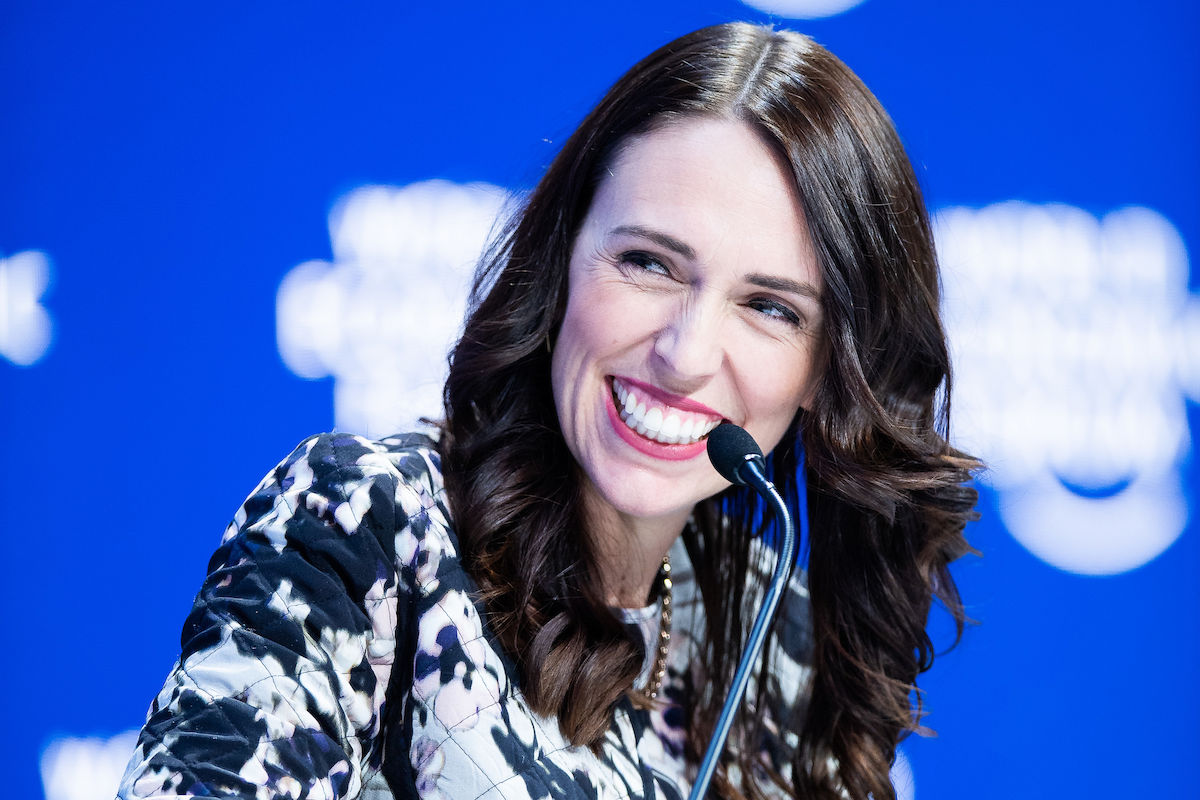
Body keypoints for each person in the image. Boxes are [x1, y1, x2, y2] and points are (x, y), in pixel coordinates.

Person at [118, 22, 978, 800]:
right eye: (649, 264)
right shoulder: (370, 526)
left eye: (771, 308)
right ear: (561, 258)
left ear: (829, 371)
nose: (684, 353)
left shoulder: (771, 633)